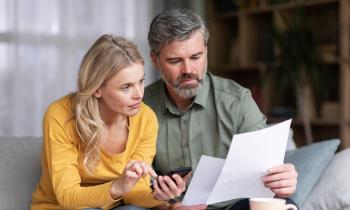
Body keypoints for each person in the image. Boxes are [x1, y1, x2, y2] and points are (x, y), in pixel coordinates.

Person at [144, 8, 298, 210]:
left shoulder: (237, 101)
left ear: (206, 50)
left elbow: (266, 178)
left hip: (233, 208)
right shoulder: (140, 106)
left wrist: (282, 184)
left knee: (287, 204)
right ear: (155, 60)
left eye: (196, 57)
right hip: (168, 209)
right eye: (175, 61)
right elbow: (132, 187)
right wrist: (168, 208)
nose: (188, 70)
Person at [31, 34, 180, 210]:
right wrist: (118, 186)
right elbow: (67, 196)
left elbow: (134, 192)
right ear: (97, 89)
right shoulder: (60, 115)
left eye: (141, 81)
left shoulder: (145, 118)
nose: (139, 94)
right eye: (126, 87)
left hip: (116, 205)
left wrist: (160, 196)